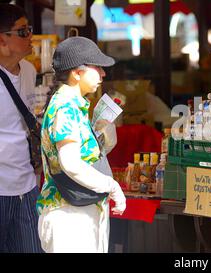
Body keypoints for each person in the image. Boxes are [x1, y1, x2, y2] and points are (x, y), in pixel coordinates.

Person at [36, 36, 126, 253]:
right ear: (77, 73)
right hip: (69, 217)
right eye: (97, 68)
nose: (103, 74)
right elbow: (71, 164)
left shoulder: (74, 106)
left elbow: (90, 157)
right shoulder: (65, 107)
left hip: (78, 212)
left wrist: (104, 130)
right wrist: (112, 186)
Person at [0, 3, 43, 253]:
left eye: (29, 29)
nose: (31, 36)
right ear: (3, 39)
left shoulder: (29, 70)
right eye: (23, 31)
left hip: (27, 184)